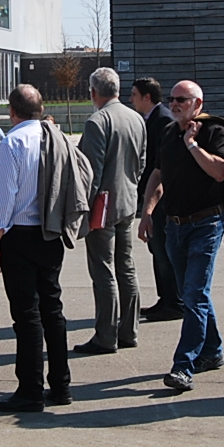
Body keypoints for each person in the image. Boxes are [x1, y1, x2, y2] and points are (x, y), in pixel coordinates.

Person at [138, 80, 224, 393]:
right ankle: (212, 351)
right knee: (193, 294)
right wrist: (147, 212)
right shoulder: (167, 133)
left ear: (198, 104)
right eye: (172, 99)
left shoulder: (214, 131)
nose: (175, 104)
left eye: (182, 99)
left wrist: (192, 145)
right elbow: (158, 175)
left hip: (206, 224)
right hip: (174, 226)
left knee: (194, 293)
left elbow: (220, 171)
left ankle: (183, 366)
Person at [0, 84, 74, 413]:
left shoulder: (14, 142)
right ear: (41, 108)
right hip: (50, 231)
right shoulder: (57, 137)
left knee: (26, 314)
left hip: (20, 235)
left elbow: (4, 196)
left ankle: (30, 389)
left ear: (12, 111)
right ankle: (61, 384)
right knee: (52, 309)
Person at [75, 67, 146, 354]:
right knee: (125, 266)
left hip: (102, 206)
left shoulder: (97, 122)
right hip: (127, 201)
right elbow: (141, 162)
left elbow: (90, 172)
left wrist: (83, 210)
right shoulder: (136, 118)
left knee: (103, 270)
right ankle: (129, 331)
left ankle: (106, 335)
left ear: (93, 92)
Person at [130, 78, 182, 322]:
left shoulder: (162, 120)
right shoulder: (152, 118)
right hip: (154, 194)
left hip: (161, 197)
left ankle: (174, 302)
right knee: (157, 249)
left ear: (147, 97)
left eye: (134, 94)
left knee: (163, 250)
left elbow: (159, 163)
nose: (131, 99)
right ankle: (166, 299)